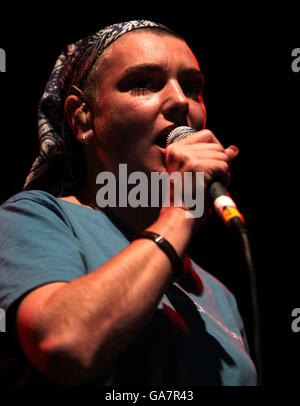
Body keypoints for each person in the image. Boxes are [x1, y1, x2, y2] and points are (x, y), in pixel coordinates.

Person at [0, 20, 257, 386]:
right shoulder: (35, 218)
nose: (180, 101)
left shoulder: (220, 294)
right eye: (143, 83)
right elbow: (66, 344)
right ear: (82, 118)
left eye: (192, 87)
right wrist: (181, 211)